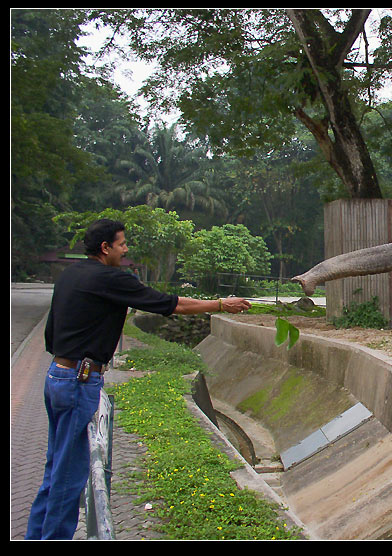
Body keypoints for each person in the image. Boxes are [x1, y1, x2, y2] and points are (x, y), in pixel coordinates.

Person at [25, 218, 251, 540]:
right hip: (78, 382)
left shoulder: (70, 276)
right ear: (106, 248)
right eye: (122, 244)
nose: (126, 249)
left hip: (56, 376)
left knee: (55, 470)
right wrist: (219, 304)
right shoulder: (112, 279)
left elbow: (51, 334)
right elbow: (170, 304)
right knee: (69, 478)